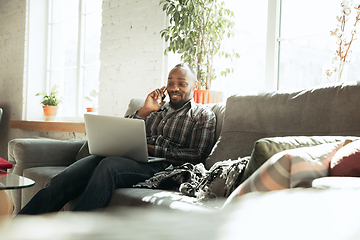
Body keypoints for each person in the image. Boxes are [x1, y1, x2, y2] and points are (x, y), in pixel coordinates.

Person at [18, 63, 216, 214]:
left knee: (109, 166)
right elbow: (125, 129)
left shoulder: (202, 114)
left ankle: (74, 232)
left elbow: (197, 155)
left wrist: (151, 150)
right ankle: (19, 229)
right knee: (67, 176)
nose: (174, 88)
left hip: (165, 167)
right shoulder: (156, 109)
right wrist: (145, 110)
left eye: (182, 83)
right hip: (134, 159)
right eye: (171, 83)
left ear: (195, 85)